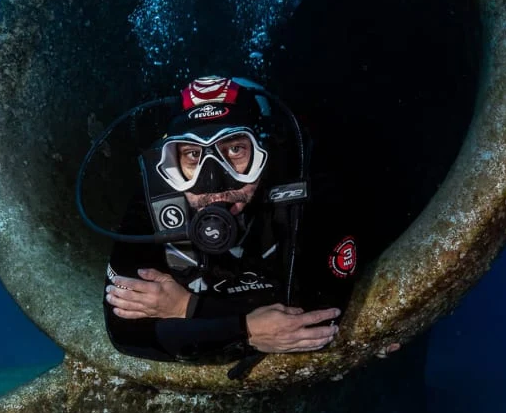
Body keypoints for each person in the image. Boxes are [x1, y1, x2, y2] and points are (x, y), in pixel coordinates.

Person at [77, 75, 385, 376]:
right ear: (171, 163)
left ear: (263, 153)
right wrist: (247, 329)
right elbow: (125, 332)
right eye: (193, 155)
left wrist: (189, 308)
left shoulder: (304, 183)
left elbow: (320, 312)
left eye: (235, 150)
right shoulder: (156, 199)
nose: (214, 182)